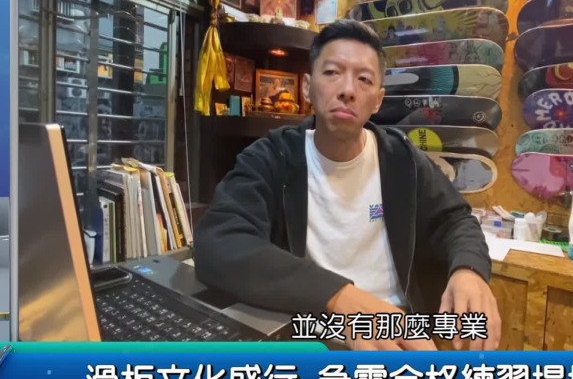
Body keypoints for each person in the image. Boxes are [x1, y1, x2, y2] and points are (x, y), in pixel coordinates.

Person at [194, 19, 500, 351]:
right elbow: (218, 242)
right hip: (311, 332)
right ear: (307, 87)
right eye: (332, 72)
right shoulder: (273, 157)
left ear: (378, 100)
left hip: (398, 331)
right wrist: (341, 297)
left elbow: (456, 220)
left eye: (364, 79)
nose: (347, 90)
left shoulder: (402, 159)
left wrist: (469, 270)